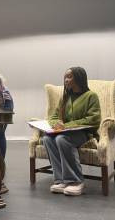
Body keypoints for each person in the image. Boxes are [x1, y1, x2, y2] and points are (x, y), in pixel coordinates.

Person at [43, 67, 101, 196]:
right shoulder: (65, 97)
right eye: (65, 77)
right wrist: (56, 124)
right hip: (65, 132)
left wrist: (67, 125)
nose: (66, 80)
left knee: (61, 139)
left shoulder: (91, 96)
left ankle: (76, 181)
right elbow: (53, 117)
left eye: (69, 77)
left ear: (79, 78)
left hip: (84, 133)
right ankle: (61, 180)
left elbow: (93, 119)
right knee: (46, 139)